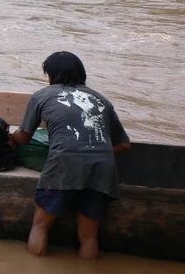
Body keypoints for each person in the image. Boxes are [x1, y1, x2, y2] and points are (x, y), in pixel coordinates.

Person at [9, 51, 131, 259]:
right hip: (102, 168)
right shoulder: (101, 99)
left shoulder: (42, 95)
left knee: (40, 227)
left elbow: (25, 138)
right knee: (89, 237)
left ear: (50, 76)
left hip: (64, 163)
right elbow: (125, 145)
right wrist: (93, 151)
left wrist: (12, 138)